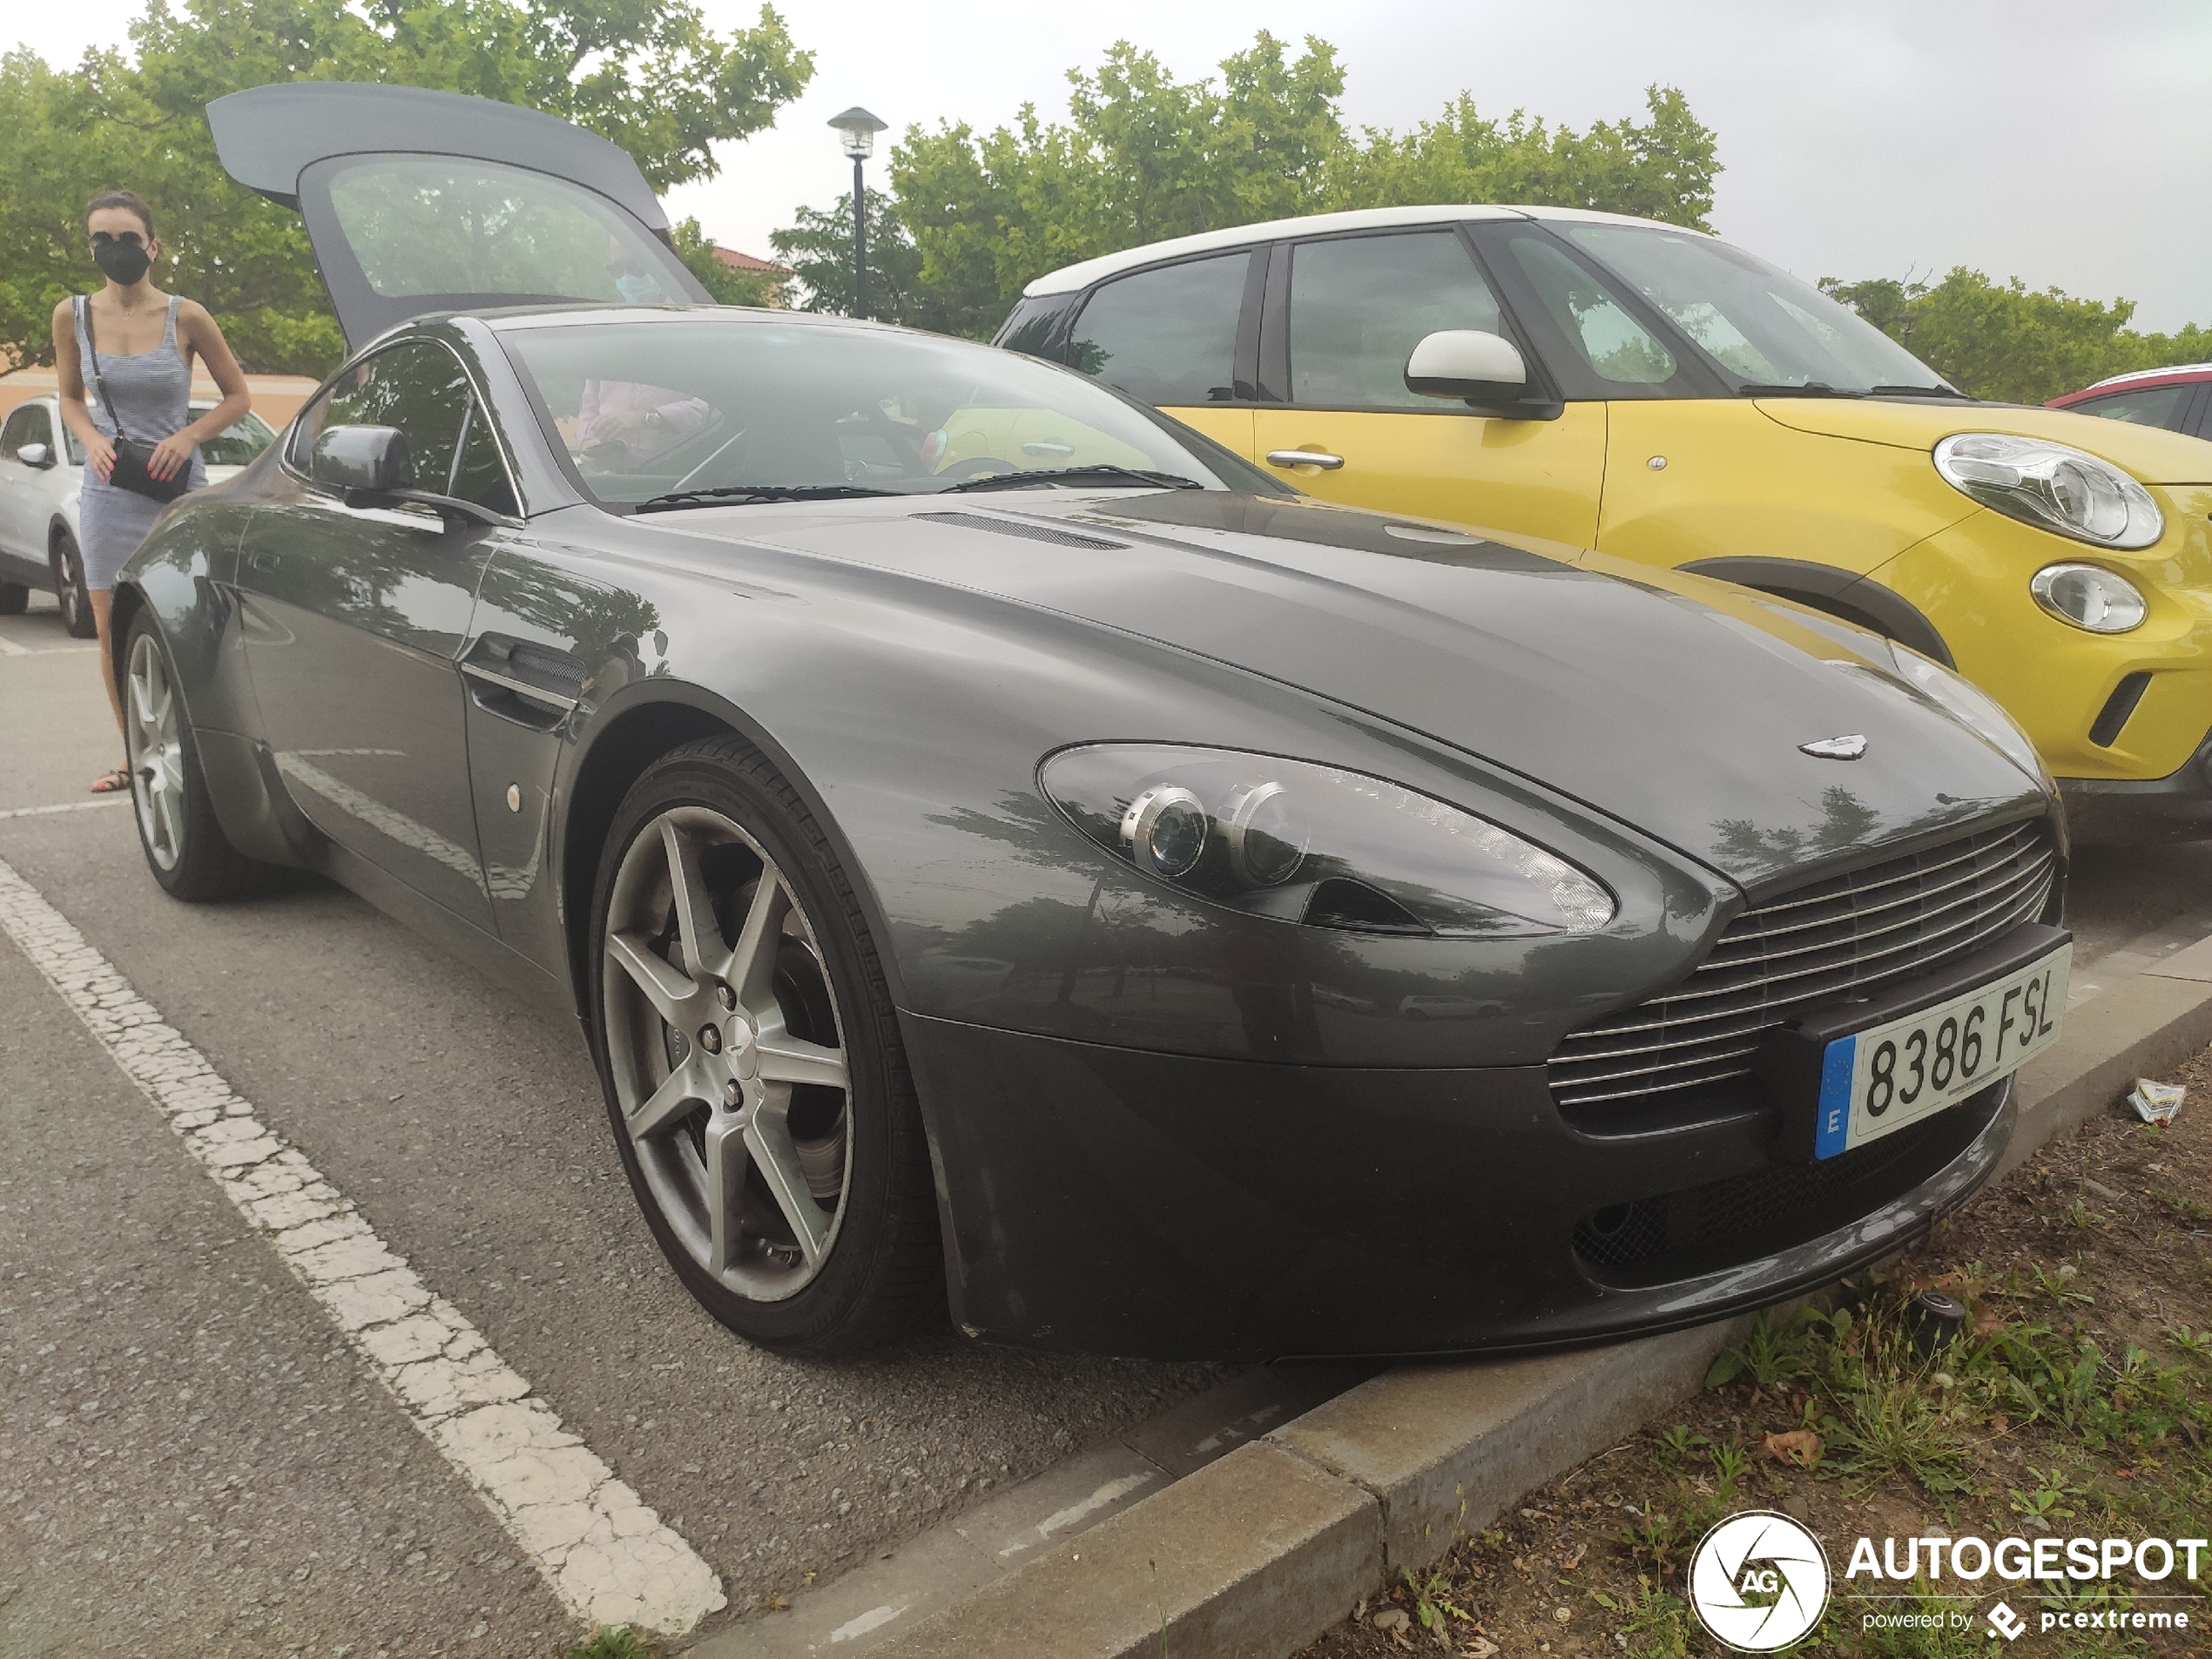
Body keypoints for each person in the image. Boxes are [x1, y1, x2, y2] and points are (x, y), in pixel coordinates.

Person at [52, 190, 250, 793]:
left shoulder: (186, 316)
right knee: (113, 629)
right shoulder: (73, 315)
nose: (116, 249)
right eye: (102, 240)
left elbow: (238, 398)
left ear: (153, 245)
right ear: (91, 247)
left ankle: (205, 751)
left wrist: (189, 436)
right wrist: (88, 437)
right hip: (109, 490)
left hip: (176, 492)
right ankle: (134, 754)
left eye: (128, 239)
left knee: (187, 622)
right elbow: (68, 396)